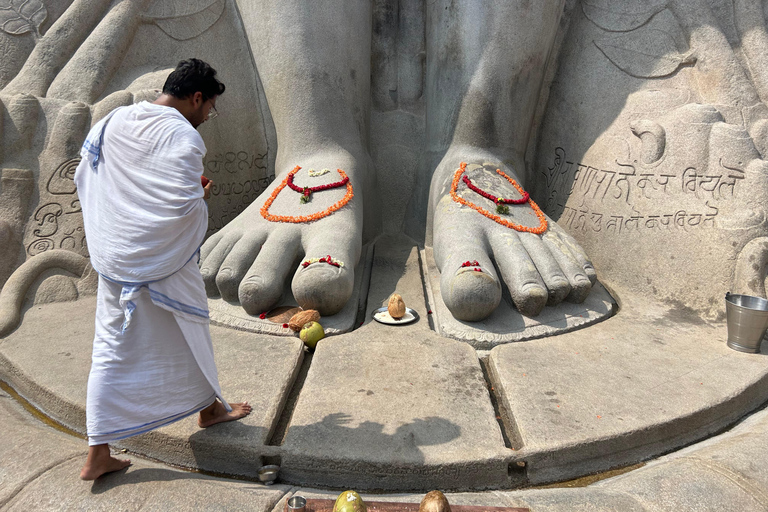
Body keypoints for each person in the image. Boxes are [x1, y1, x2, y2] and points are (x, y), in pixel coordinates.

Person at [74, 59, 252, 481]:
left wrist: (118, 231)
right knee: (192, 322)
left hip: (116, 258)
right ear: (195, 98)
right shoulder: (183, 137)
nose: (209, 115)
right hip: (162, 259)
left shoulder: (114, 120)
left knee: (111, 350)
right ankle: (208, 410)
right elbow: (181, 210)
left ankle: (99, 452)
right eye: (210, 107)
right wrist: (199, 199)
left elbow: (88, 175)